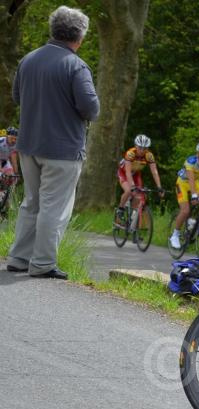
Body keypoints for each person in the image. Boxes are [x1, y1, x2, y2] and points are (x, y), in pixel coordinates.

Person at [6, 6, 99, 279]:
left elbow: (16, 97)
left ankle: (19, 258)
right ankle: (43, 263)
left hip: (28, 144)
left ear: (53, 30)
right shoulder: (76, 66)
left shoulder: (28, 60)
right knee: (54, 207)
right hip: (62, 149)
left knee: (31, 202)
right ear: (79, 37)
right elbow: (90, 108)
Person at [115, 134, 163, 225]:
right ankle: (120, 210)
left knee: (139, 195)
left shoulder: (149, 156)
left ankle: (132, 222)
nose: (142, 150)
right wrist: (132, 186)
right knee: (129, 190)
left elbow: (154, 172)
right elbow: (128, 172)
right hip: (124, 173)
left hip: (136, 174)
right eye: (140, 147)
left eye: (145, 148)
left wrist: (159, 187)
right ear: (135, 146)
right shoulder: (130, 153)